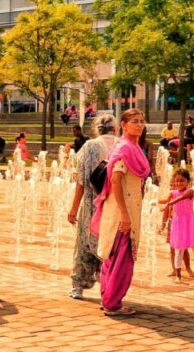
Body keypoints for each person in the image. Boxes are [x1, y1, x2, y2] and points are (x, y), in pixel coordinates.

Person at [94, 108, 150, 316]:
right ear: (123, 126)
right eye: (134, 121)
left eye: (142, 121)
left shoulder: (133, 147)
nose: (139, 124)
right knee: (121, 258)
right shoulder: (124, 149)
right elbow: (115, 180)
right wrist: (125, 215)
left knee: (114, 255)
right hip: (121, 211)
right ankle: (112, 302)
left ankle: (109, 297)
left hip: (129, 208)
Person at [66, 113, 117, 300]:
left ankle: (78, 286)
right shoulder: (123, 146)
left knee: (84, 244)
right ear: (116, 128)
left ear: (97, 128)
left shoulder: (90, 146)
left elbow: (81, 181)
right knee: (111, 246)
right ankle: (109, 287)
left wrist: (73, 209)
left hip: (90, 204)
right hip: (114, 205)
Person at [160, 168, 194, 285]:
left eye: (182, 181)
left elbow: (181, 198)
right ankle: (178, 275)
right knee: (178, 250)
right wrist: (153, 201)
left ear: (188, 181)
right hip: (177, 223)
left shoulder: (191, 191)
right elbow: (166, 201)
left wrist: (169, 203)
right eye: (176, 181)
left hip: (188, 222)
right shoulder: (172, 193)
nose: (178, 183)